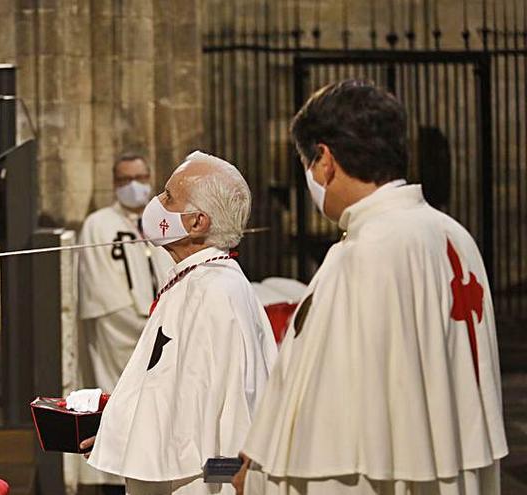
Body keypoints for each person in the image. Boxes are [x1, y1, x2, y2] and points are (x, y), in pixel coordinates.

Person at [235, 80, 508, 494]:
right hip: (450, 463)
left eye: (307, 164)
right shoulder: (453, 235)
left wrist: (258, 481)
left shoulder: (363, 253)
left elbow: (327, 416)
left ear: (324, 160)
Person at [84, 151, 279, 495]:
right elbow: (173, 391)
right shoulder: (193, 280)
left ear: (197, 222)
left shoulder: (216, 293)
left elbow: (235, 415)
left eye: (169, 196)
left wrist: (222, 479)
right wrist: (124, 430)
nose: (156, 202)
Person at [77, 153, 174, 490]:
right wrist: (144, 325)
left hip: (162, 328)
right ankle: (116, 480)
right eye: (125, 179)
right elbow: (102, 291)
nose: (134, 185)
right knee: (120, 402)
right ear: (114, 184)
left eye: (141, 177)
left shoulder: (163, 222)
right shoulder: (98, 224)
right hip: (119, 334)